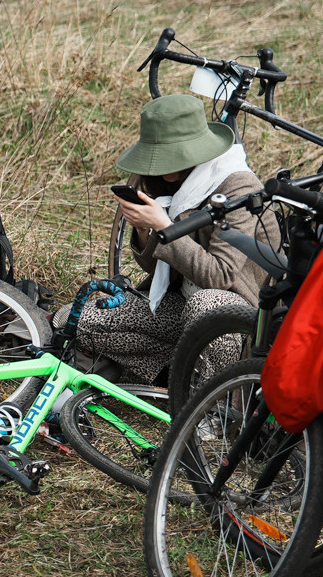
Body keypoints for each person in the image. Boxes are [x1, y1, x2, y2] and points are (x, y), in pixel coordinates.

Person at [76, 92, 271, 383]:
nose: (165, 165)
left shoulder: (238, 187)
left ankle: (213, 406)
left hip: (235, 314)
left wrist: (165, 227)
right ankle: (178, 375)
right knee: (82, 320)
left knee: (207, 307)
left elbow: (220, 276)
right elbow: (160, 272)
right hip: (181, 303)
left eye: (172, 154)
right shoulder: (172, 182)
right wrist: (144, 229)